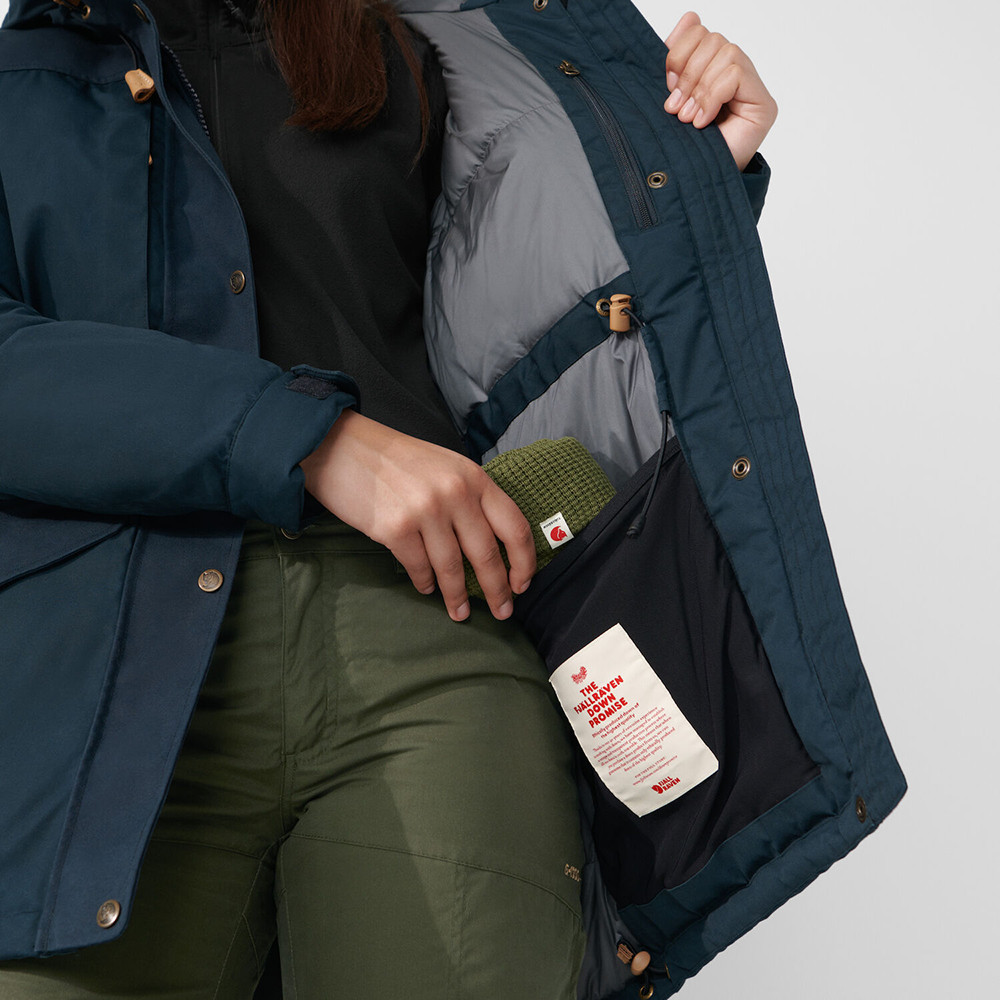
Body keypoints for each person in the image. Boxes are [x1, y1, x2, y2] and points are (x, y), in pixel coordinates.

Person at [2, 3, 901, 1000]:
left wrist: (684, 175)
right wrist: (312, 440)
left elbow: (515, 303)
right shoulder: (22, 78)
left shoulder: (404, 36)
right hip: (108, 686)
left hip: (434, 634)